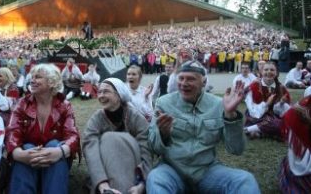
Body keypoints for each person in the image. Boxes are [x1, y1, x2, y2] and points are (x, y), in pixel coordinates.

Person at [146, 60, 260, 193]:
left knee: (245, 180)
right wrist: (163, 135)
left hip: (207, 171)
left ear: (204, 82)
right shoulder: (163, 103)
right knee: (155, 178)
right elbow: (153, 147)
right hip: (172, 170)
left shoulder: (218, 104)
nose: (184, 83)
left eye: (190, 79)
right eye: (181, 78)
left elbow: (236, 149)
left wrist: (230, 115)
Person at [6, 63, 80, 194]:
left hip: (55, 161)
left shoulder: (64, 105)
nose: (32, 80)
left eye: (38, 77)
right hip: (27, 158)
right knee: (27, 147)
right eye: (32, 77)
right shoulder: (21, 104)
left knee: (54, 145)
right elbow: (12, 132)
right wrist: (19, 154)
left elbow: (73, 135)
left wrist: (60, 152)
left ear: (51, 82)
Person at [82, 78, 152, 194]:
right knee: (108, 139)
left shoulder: (136, 118)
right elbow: (90, 149)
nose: (101, 96)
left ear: (119, 95)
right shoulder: (96, 119)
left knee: (111, 138)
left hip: (132, 166)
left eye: (106, 91)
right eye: (99, 92)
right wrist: (101, 183)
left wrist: (142, 184)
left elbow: (146, 151)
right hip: (106, 168)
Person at [244, 61, 291, 139]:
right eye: (266, 70)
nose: (269, 72)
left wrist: (281, 103)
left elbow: (286, 110)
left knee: (286, 123)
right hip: (256, 117)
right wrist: (267, 104)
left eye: (272, 70)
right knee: (277, 124)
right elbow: (253, 111)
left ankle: (259, 132)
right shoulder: (253, 87)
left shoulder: (281, 87)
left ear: (276, 72)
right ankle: (248, 129)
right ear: (261, 72)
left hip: (274, 116)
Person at [279, 94, 311, 192]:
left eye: (271, 76)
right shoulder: (300, 110)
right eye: (266, 76)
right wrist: (279, 103)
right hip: (303, 161)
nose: (269, 78)